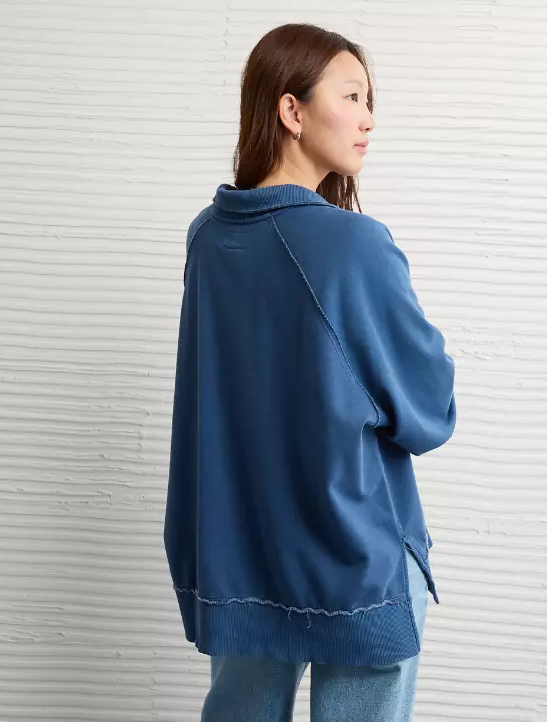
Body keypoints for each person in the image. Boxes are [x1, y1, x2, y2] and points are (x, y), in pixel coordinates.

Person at [163, 21, 457, 722]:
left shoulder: (208, 237)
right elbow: (427, 413)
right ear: (291, 111)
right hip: (355, 555)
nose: (368, 119)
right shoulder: (353, 245)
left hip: (239, 554)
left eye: (368, 100)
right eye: (351, 97)